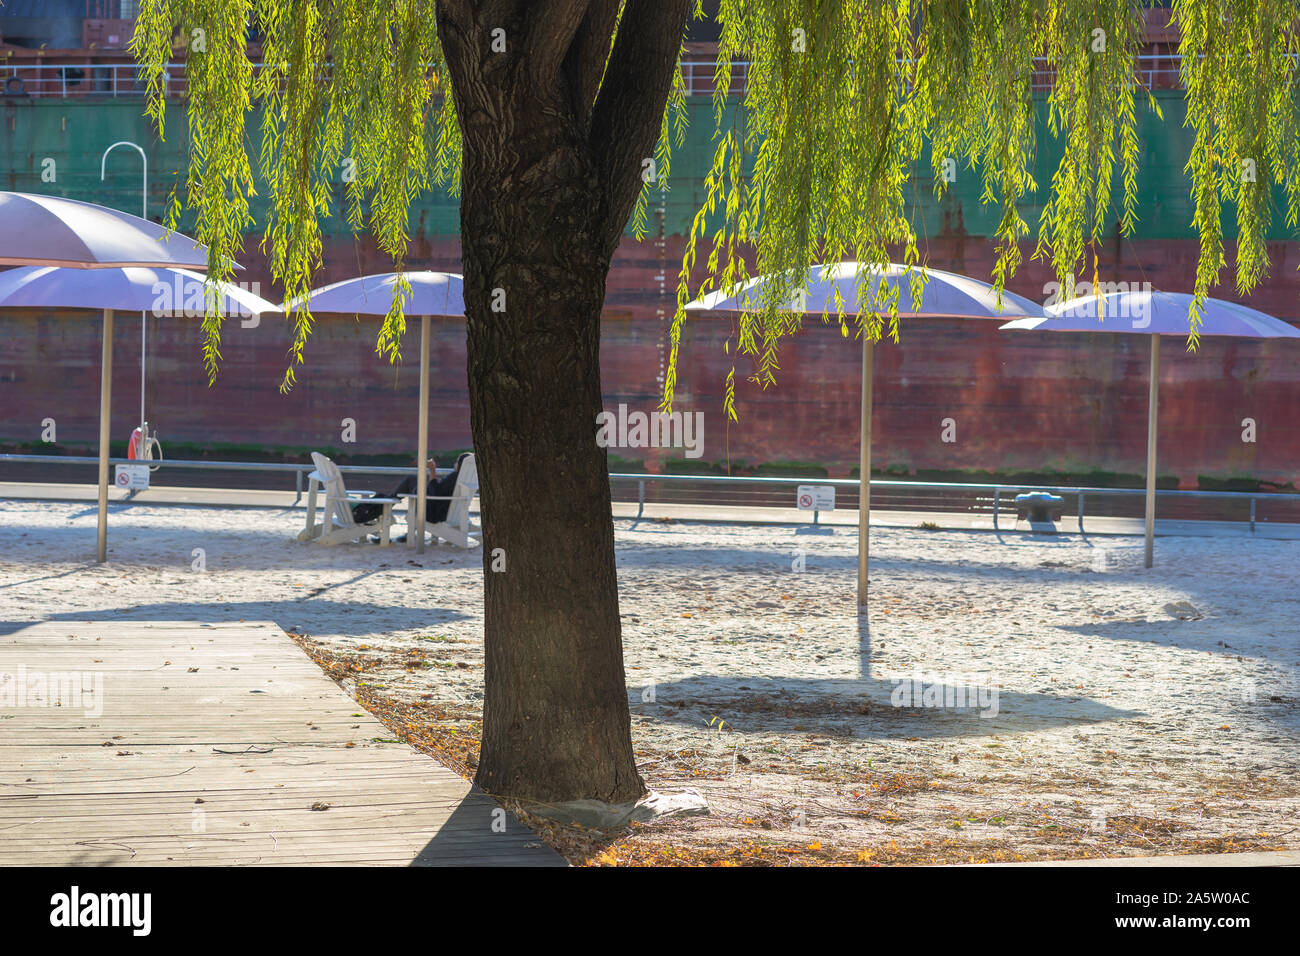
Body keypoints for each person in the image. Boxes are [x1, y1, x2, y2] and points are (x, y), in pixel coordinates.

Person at [353, 453, 470, 538]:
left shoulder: (455, 476)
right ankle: (390, 500)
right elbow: (439, 489)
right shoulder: (461, 478)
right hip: (440, 509)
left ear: (461, 465)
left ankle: (388, 502)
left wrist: (432, 470)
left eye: (457, 461)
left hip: (433, 512)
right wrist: (436, 480)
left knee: (411, 481)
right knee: (412, 481)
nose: (455, 464)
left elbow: (436, 490)